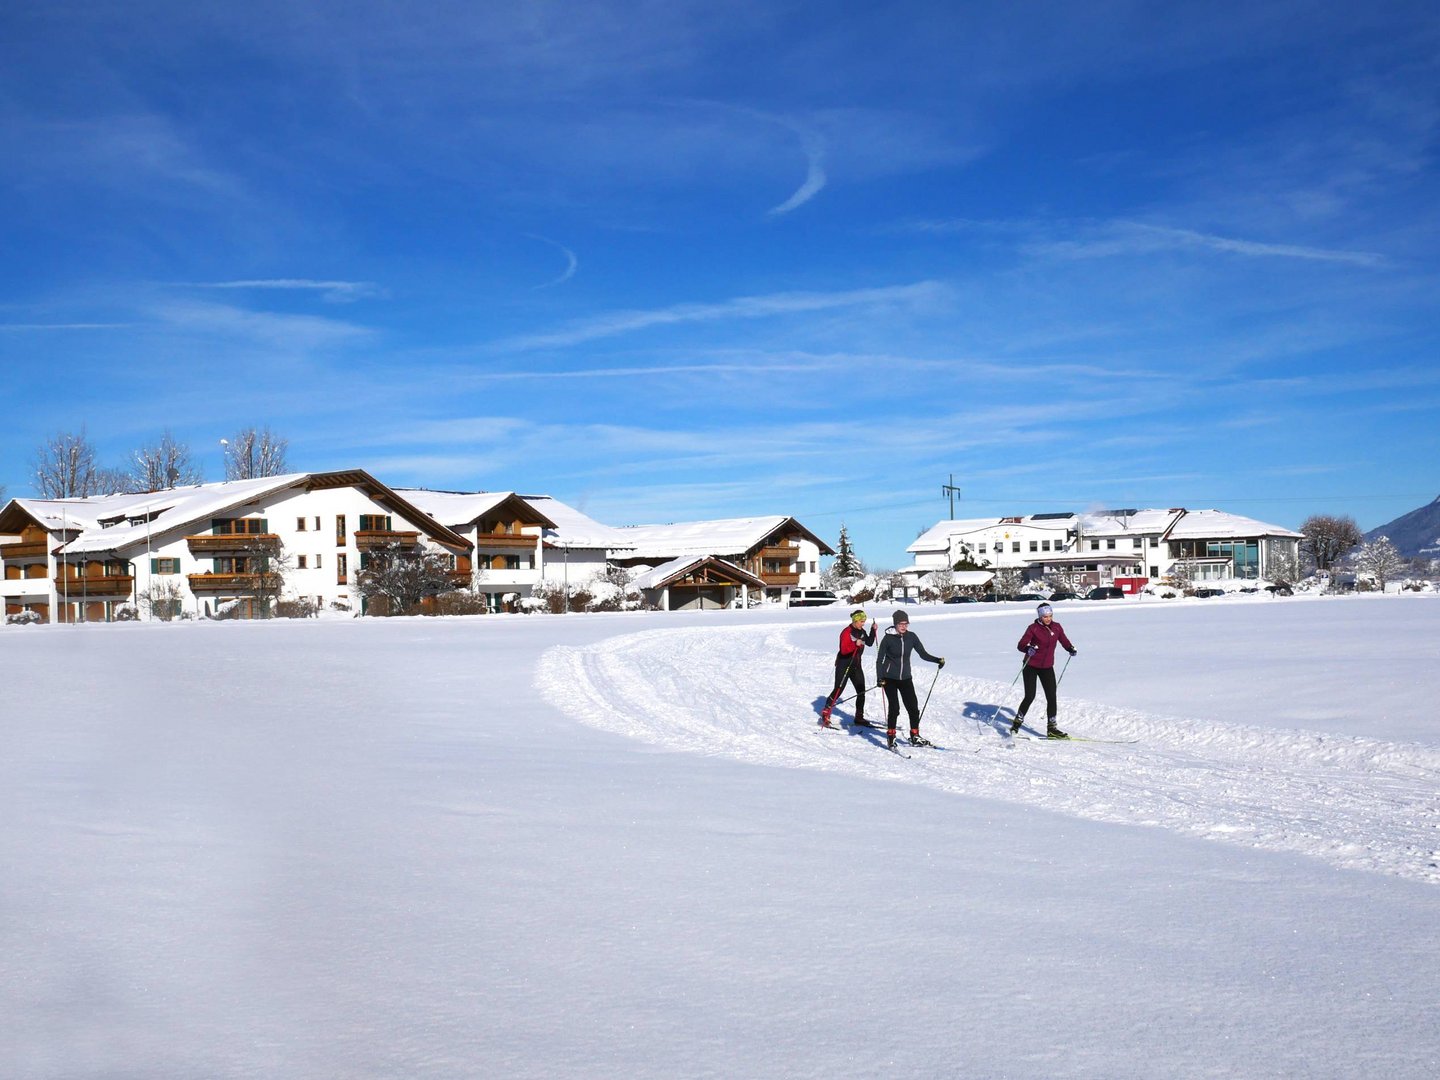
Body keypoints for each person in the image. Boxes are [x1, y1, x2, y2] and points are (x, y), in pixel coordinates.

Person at [874, 609, 945, 748]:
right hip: (889, 678)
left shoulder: (911, 637)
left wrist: (937, 660)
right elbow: (879, 659)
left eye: (906, 623)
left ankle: (914, 735)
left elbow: (923, 654)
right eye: (901, 623)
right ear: (895, 624)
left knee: (913, 707)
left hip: (906, 677)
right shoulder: (888, 638)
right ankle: (891, 736)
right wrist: (879, 678)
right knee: (894, 707)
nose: (904, 626)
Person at [1011, 602, 1078, 739]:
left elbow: (1063, 640)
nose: (1048, 619)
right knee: (1030, 696)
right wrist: (1028, 649)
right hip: (1031, 666)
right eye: (1045, 616)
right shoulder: (1033, 628)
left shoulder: (1057, 627)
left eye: (1050, 616)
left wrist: (1070, 648)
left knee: (1052, 696)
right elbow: (1021, 645)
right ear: (1040, 616)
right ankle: (1017, 723)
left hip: (1047, 667)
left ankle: (1052, 729)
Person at [820, 609, 877, 728]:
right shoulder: (847, 632)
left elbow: (870, 642)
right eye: (861, 621)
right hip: (844, 664)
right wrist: (855, 644)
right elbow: (844, 650)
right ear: (855, 620)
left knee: (861, 691)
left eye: (864, 621)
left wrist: (873, 630)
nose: (863, 623)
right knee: (839, 689)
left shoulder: (861, 631)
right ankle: (826, 713)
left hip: (856, 665)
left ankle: (859, 717)